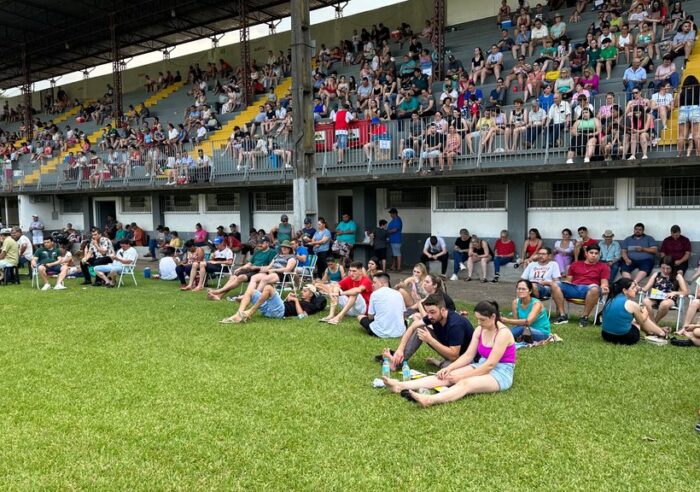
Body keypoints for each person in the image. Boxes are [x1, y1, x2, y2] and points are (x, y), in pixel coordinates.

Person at [382, 300, 515, 407]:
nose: (479, 323)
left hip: (500, 373)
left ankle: (429, 400)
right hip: (480, 365)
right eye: (477, 319)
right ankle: (400, 385)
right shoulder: (480, 329)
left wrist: (462, 376)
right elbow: (468, 355)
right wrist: (449, 368)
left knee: (465, 383)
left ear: (493, 317)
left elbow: (490, 365)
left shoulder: (503, 333)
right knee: (446, 376)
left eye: (482, 320)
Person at [384, 293, 474, 370]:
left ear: (443, 310)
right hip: (450, 352)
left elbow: (454, 355)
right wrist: (400, 349)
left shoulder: (455, 324)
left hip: (464, 358)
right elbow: (413, 327)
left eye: (432, 312)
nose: (429, 316)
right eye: (427, 312)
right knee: (420, 329)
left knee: (449, 368)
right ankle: (398, 362)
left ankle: (438, 363)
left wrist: (430, 340)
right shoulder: (433, 317)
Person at [552, 244, 610, 326]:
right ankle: (562, 316)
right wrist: (564, 283)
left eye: (596, 253)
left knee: (594, 288)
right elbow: (568, 281)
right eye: (591, 253)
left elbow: (604, 283)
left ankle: (584, 317)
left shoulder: (603, 266)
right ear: (586, 254)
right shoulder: (575, 264)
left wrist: (603, 288)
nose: (594, 255)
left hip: (590, 289)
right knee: (555, 284)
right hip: (574, 288)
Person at [601, 278, 668, 345]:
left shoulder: (610, 299)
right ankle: (661, 333)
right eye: (633, 288)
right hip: (625, 338)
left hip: (606, 335)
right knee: (639, 319)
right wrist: (645, 311)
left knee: (633, 319)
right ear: (624, 290)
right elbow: (641, 321)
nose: (635, 290)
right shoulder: (631, 304)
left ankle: (653, 332)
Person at [205, 236, 276, 299]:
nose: (259, 244)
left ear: (268, 243)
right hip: (250, 269)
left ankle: (218, 291)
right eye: (259, 243)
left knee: (240, 277)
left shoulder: (272, 252)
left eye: (262, 243)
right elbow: (249, 263)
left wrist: (256, 267)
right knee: (233, 277)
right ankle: (219, 295)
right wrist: (240, 268)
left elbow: (270, 266)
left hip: (259, 271)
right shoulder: (257, 252)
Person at [220, 284, 326, 323]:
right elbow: (283, 304)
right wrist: (288, 299)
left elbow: (302, 317)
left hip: (279, 313)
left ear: (311, 294)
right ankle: (238, 314)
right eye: (302, 290)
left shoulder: (310, 305)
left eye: (305, 291)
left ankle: (250, 312)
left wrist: (296, 301)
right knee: (251, 290)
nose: (302, 292)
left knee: (269, 287)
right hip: (270, 310)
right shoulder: (299, 300)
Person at [357, 272, 406, 338]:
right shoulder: (398, 294)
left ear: (382, 283)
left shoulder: (374, 294)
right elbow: (403, 315)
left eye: (374, 282)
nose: (372, 285)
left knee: (360, 316)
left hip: (380, 332)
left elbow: (370, 317)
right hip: (400, 332)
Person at [640, 258, 688, 323]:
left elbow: (685, 292)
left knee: (664, 304)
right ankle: (654, 325)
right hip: (655, 297)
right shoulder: (656, 274)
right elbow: (645, 288)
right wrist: (639, 288)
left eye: (668, 268)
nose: (665, 270)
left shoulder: (677, 276)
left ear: (672, 267)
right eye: (663, 268)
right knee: (645, 301)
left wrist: (674, 292)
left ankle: (654, 323)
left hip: (669, 299)